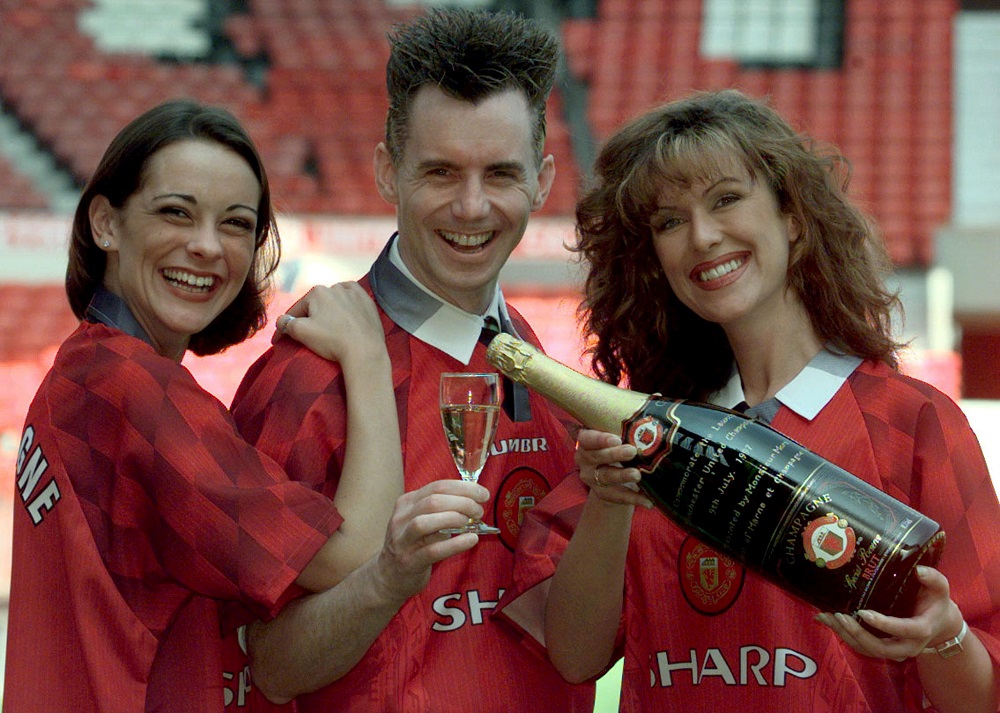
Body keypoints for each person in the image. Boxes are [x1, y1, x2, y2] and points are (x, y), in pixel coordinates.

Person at [498, 89, 1000, 712]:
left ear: (792, 216)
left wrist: (942, 636)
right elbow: (575, 658)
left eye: (726, 199)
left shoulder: (910, 420)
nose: (702, 238)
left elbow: (983, 698)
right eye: (669, 222)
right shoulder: (643, 434)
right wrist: (609, 498)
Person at [0, 99, 479, 712]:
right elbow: (349, 555)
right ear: (105, 223)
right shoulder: (133, 388)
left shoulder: (82, 370)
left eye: (234, 224)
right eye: (176, 212)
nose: (206, 246)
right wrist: (368, 357)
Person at [228, 8, 592, 711]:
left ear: (543, 180)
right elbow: (269, 665)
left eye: (501, 173)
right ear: (387, 173)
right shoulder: (304, 378)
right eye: (441, 172)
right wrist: (387, 574)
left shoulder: (539, 367)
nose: (473, 205)